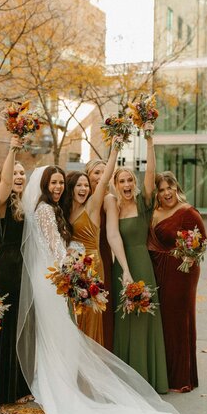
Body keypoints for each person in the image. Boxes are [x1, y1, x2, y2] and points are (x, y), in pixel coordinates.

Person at [17, 165, 196, 414]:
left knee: (59, 331)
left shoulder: (53, 208)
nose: (60, 187)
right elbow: (55, 247)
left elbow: (64, 244)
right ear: (46, 185)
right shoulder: (47, 210)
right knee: (59, 330)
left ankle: (57, 381)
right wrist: (73, 274)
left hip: (59, 274)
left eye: (62, 182)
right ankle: (58, 383)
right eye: (55, 182)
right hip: (56, 275)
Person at [105, 123, 168, 393]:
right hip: (123, 265)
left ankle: (150, 378)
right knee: (126, 320)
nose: (128, 184)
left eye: (130, 180)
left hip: (143, 263)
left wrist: (150, 139)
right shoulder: (112, 205)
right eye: (123, 181)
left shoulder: (143, 203)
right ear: (116, 185)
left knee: (146, 316)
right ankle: (127, 382)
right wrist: (125, 271)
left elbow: (151, 173)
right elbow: (113, 237)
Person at [148, 171, 207, 392]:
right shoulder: (154, 212)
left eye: (169, 187)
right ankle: (163, 374)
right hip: (157, 270)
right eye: (161, 189)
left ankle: (181, 377)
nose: (166, 193)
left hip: (182, 274)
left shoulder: (187, 212)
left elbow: (201, 242)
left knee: (178, 321)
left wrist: (189, 257)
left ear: (176, 188)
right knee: (162, 322)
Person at [0, 136, 32, 405]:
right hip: (8, 265)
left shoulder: (25, 203)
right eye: (14, 172)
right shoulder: (1, 203)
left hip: (25, 266)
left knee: (22, 326)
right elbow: (5, 182)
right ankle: (9, 388)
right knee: (10, 325)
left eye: (22, 173)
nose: (18, 176)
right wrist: (13, 149)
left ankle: (22, 382)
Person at [64, 139, 119, 346]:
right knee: (73, 317)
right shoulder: (66, 210)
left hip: (92, 266)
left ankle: (91, 367)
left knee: (90, 317)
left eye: (86, 186)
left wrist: (115, 149)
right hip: (71, 268)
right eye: (79, 185)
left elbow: (104, 181)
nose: (83, 189)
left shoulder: (93, 205)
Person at [84, 158, 114, 350]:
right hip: (80, 257)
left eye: (104, 172)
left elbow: (113, 234)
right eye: (96, 172)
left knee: (102, 304)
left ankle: (104, 349)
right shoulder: (80, 197)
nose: (100, 176)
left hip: (101, 255)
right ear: (88, 175)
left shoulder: (108, 200)